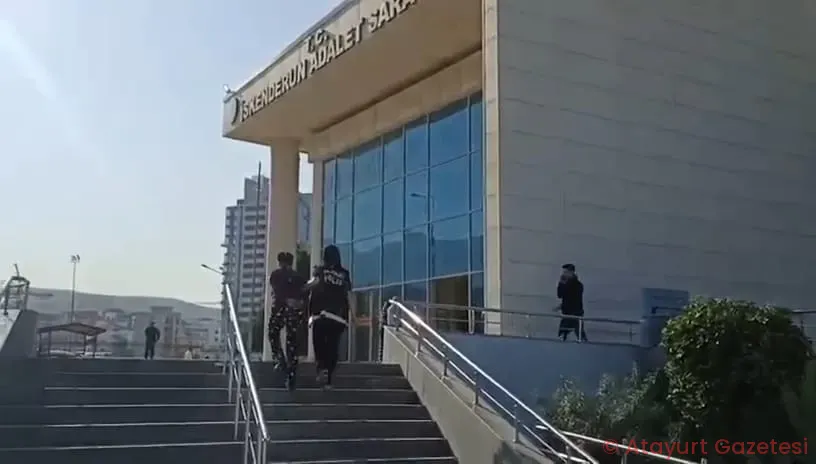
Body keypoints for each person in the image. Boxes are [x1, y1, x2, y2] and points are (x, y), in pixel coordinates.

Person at [307, 245, 352, 390]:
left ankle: (321, 368)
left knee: (319, 343)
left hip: (320, 314)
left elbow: (313, 285)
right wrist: (352, 316)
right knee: (333, 346)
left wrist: (301, 289)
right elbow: (348, 294)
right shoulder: (344, 273)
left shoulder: (320, 270)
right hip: (338, 316)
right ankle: (329, 377)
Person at [268, 251, 308, 390]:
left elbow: (276, 291)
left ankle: (279, 359)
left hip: (280, 309)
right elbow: (304, 295)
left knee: (273, 333)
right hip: (294, 312)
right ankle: (291, 373)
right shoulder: (299, 277)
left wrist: (285, 300)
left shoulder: (276, 275)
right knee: (292, 342)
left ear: (280, 262)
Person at [556, 264, 588, 341]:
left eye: (565, 272)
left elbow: (572, 298)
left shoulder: (577, 285)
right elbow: (560, 295)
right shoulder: (566, 283)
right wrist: (561, 283)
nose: (563, 274)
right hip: (567, 314)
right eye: (563, 272)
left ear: (571, 272)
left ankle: (586, 345)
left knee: (579, 334)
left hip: (575, 314)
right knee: (563, 334)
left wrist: (562, 283)